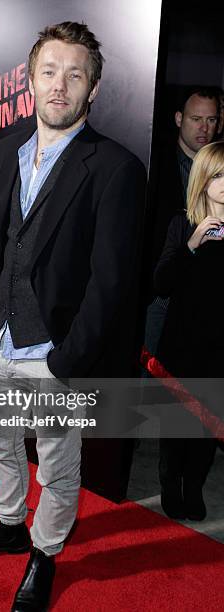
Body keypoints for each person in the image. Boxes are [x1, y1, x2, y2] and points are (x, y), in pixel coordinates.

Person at [0, 21, 146, 611]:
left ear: (92, 88)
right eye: (49, 71)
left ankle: (45, 550)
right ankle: (11, 523)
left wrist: (68, 358)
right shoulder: (5, 149)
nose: (59, 86)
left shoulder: (115, 167)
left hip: (53, 351)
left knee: (58, 466)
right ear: (30, 81)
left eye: (74, 74)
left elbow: (111, 283)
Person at [154, 141, 224, 521]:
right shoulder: (182, 223)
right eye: (218, 175)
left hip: (219, 347)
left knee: (208, 427)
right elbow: (161, 283)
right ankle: (169, 481)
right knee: (177, 424)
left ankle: (194, 486)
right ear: (203, 179)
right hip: (182, 344)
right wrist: (192, 246)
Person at [144, 88, 220, 358]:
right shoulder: (154, 163)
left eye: (211, 120)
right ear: (179, 119)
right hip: (161, 290)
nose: (204, 128)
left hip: (206, 292)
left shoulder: (219, 164)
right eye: (196, 119)